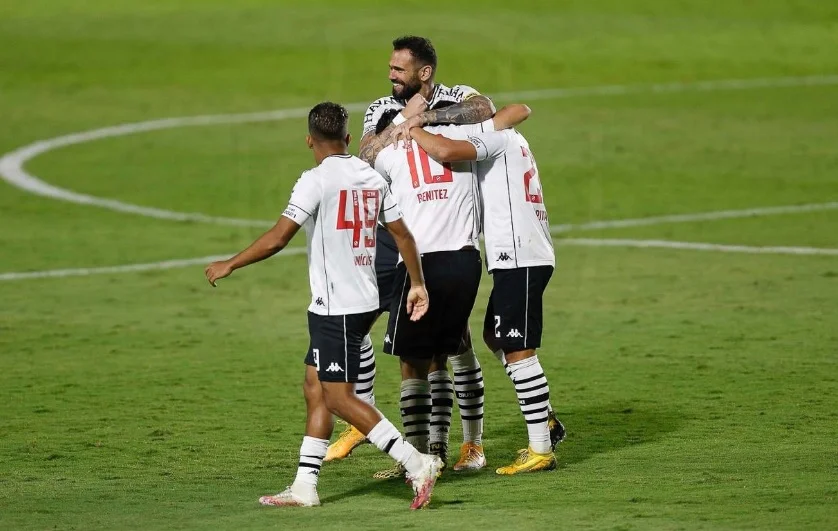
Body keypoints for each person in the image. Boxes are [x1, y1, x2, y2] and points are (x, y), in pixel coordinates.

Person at [204, 102, 443, 509]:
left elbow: (279, 237)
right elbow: (403, 235)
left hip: (337, 307)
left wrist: (231, 263)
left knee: (338, 397)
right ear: (348, 139)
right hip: (364, 299)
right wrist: (417, 284)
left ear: (309, 141)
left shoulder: (314, 181)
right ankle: (304, 485)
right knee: (315, 387)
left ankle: (417, 462)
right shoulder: (371, 177)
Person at [327, 35, 496, 472]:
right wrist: (404, 119)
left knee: (444, 347)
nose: (390, 75)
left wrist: (426, 118)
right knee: (410, 342)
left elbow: (486, 108)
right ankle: (423, 445)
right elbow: (365, 154)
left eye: (399, 70)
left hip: (445, 241)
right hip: (395, 238)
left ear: (424, 73)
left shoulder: (456, 99)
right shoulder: (383, 109)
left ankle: (451, 448)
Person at [406, 107, 565, 474]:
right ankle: (545, 418)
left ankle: (540, 448)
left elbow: (445, 151)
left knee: (519, 348)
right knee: (495, 335)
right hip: (519, 253)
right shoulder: (511, 139)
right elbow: (521, 110)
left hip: (521, 253)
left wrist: (412, 128)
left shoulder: (496, 139)